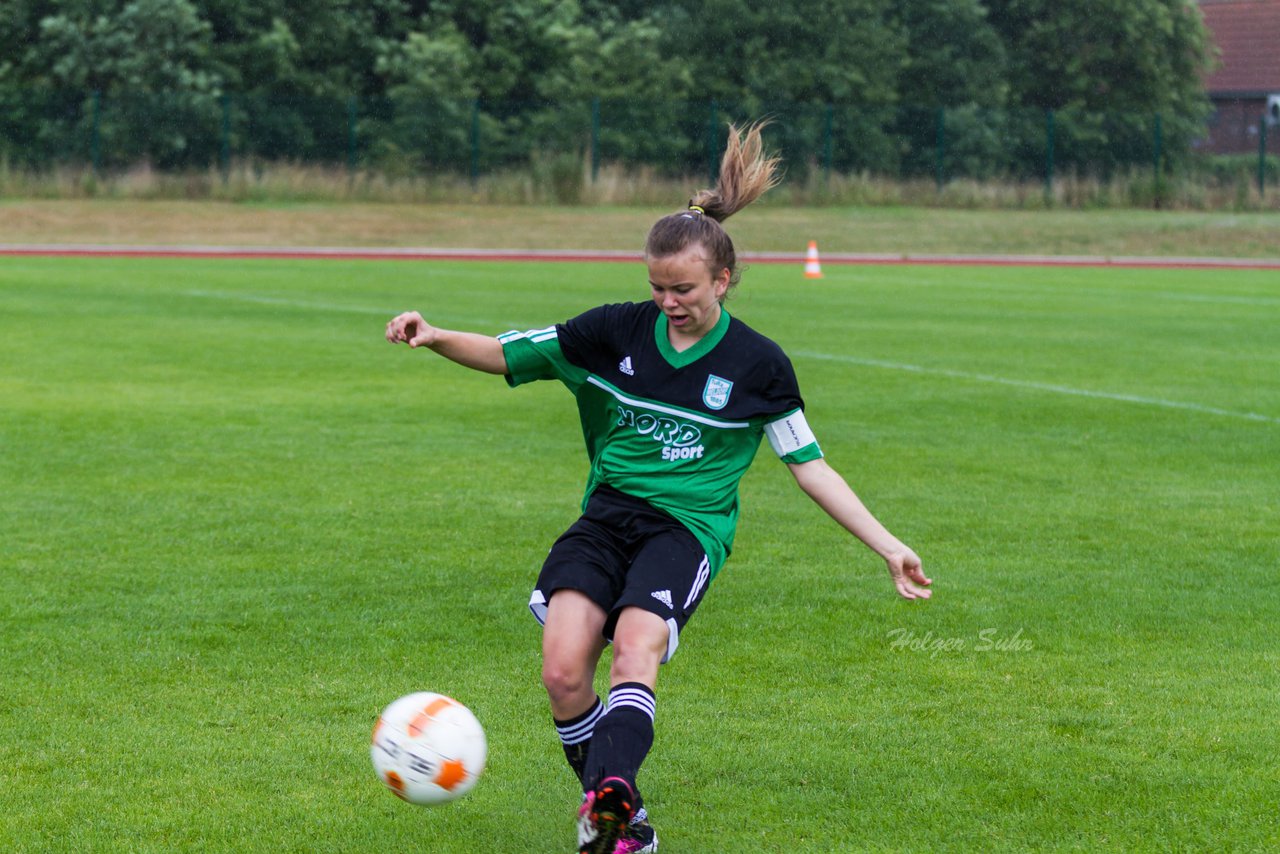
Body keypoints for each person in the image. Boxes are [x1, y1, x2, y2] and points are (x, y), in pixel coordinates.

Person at [385, 122, 931, 854]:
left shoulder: (757, 365)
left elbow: (811, 466)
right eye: (657, 287)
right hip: (608, 517)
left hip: (686, 531)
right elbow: (511, 353)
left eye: (684, 289)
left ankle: (611, 809)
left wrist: (889, 548)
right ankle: (617, 816)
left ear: (723, 280)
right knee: (562, 671)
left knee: (634, 651)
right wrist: (435, 335)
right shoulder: (614, 332)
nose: (669, 302)